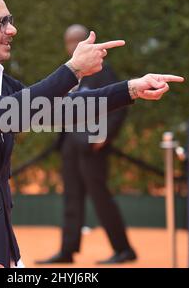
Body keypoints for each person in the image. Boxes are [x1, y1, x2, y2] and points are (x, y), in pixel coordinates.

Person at [0, 0, 184, 268]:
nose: (12, 29)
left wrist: (130, 89)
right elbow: (8, 114)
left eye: (10, 20)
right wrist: (73, 70)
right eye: (1, 22)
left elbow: (59, 109)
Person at [36, 24, 136, 265]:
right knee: (71, 197)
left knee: (100, 196)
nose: (72, 46)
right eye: (68, 42)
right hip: (70, 142)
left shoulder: (102, 70)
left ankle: (124, 250)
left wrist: (104, 137)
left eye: (76, 41)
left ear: (86, 42)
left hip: (93, 145)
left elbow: (118, 105)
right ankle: (67, 251)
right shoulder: (68, 72)